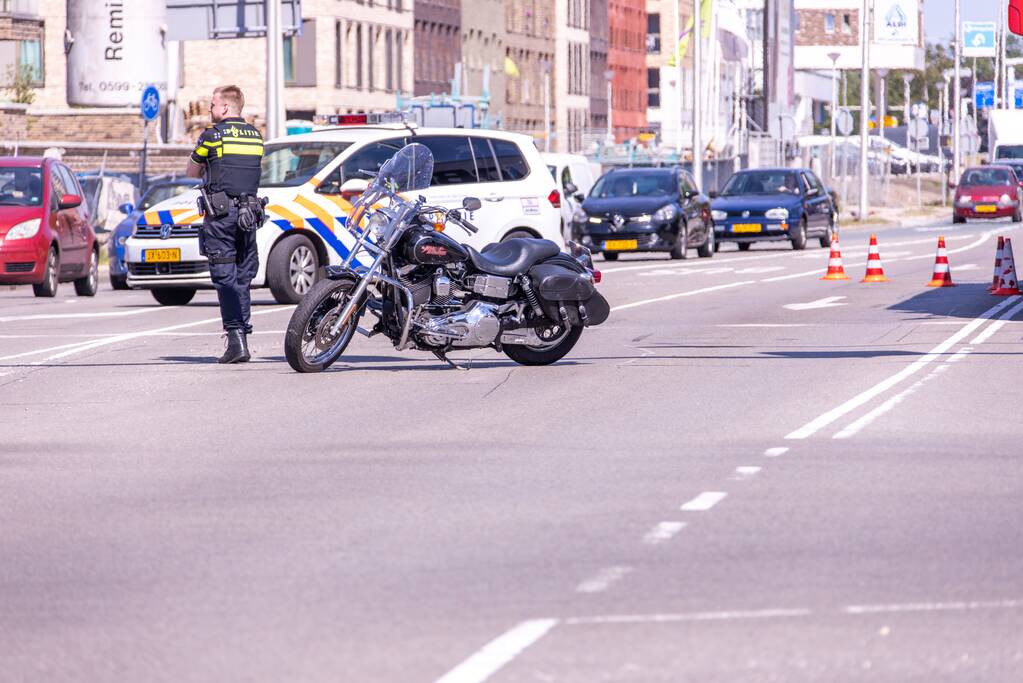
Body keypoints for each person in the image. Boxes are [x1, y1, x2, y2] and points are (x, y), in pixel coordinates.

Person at [186, 85, 265, 364]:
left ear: (226, 108)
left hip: (221, 216)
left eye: (213, 104)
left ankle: (236, 340)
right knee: (243, 276)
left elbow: (191, 171)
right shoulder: (256, 136)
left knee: (224, 277)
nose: (209, 109)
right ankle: (243, 333)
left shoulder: (212, 136)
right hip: (250, 213)